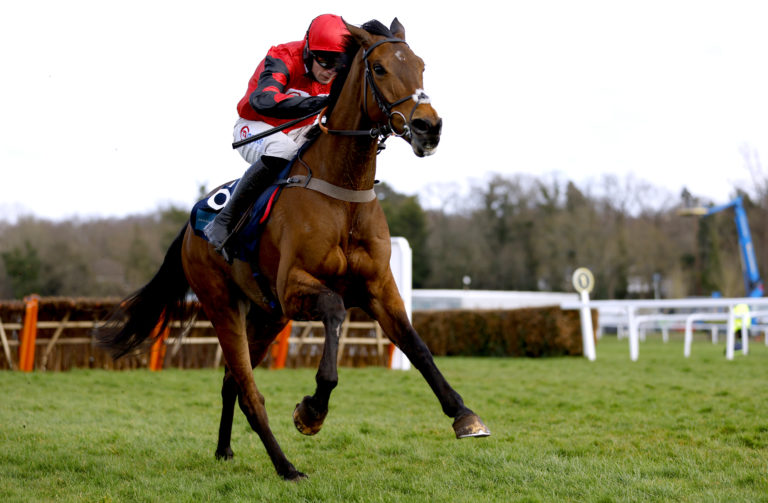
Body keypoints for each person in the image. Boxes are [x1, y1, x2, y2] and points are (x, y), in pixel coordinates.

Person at [204, 14, 350, 262]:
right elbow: (263, 100)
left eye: (338, 64)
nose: (330, 72)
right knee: (283, 150)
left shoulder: (337, 72)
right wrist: (320, 102)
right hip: (256, 126)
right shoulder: (283, 57)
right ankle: (223, 221)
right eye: (325, 61)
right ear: (308, 50)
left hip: (298, 131)